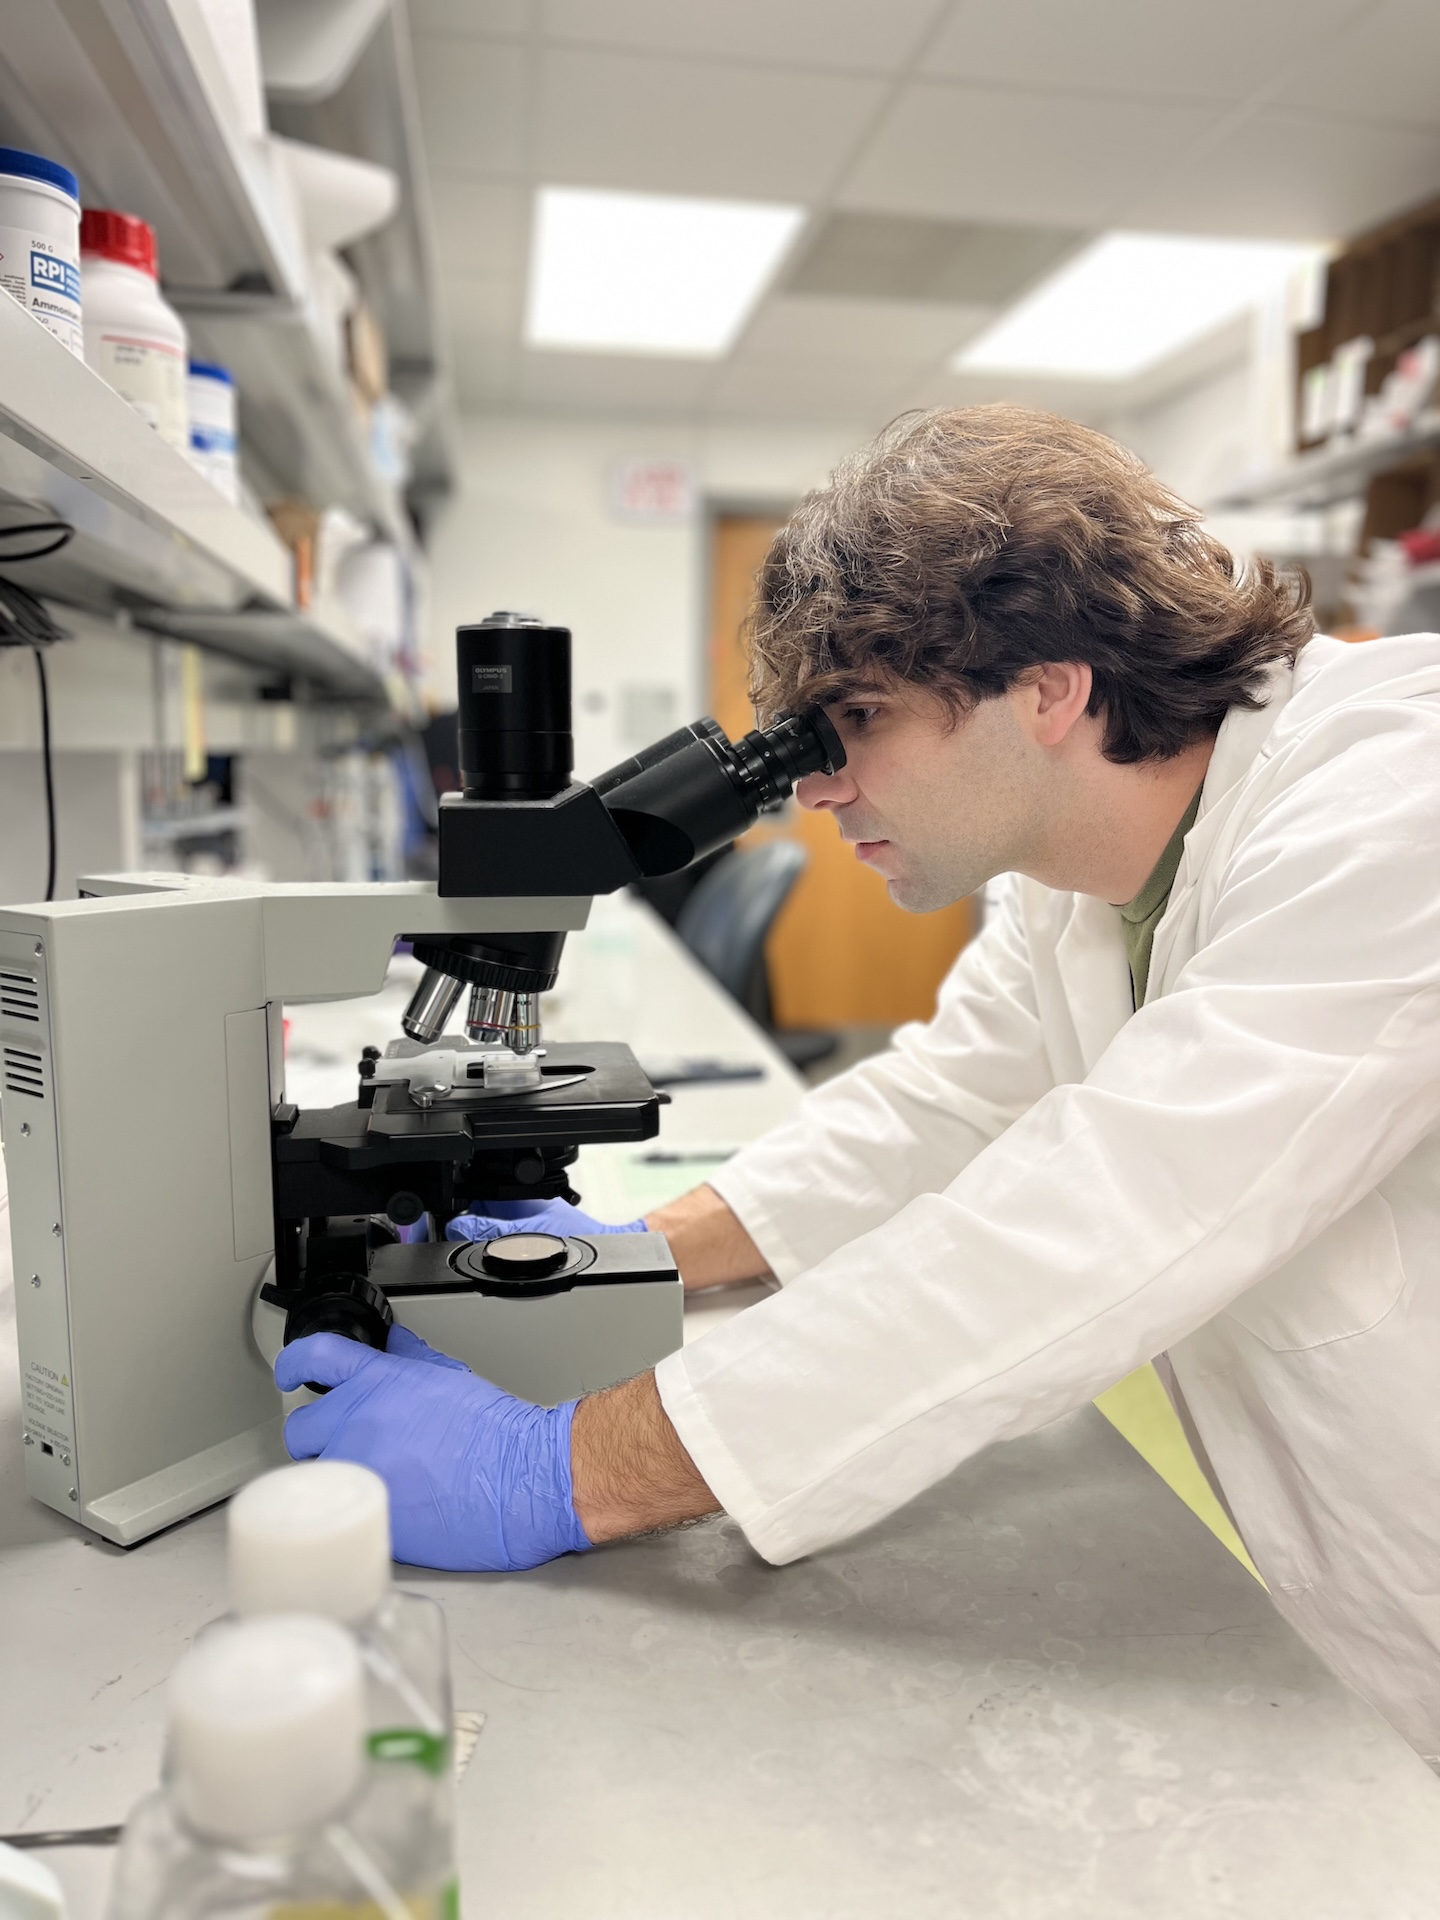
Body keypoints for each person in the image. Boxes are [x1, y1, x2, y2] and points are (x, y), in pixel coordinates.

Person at [278, 406, 1440, 1763]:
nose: (817, 790)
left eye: (861, 721)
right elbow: (940, 1107)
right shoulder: (1074, 876)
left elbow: (1100, 1213)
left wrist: (574, 1465)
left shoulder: (1392, 804)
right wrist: (636, 1253)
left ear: (1048, 690)